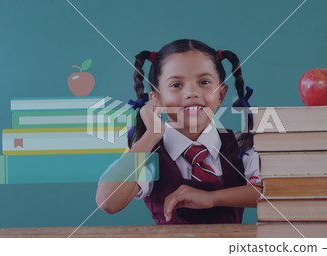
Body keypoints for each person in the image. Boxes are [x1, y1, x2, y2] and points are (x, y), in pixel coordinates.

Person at [96, 39, 261, 225]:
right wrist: (151, 135)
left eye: (204, 82)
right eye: (176, 85)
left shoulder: (242, 144)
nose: (191, 92)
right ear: (157, 99)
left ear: (221, 95)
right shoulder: (148, 152)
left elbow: (271, 192)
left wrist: (213, 197)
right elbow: (108, 202)